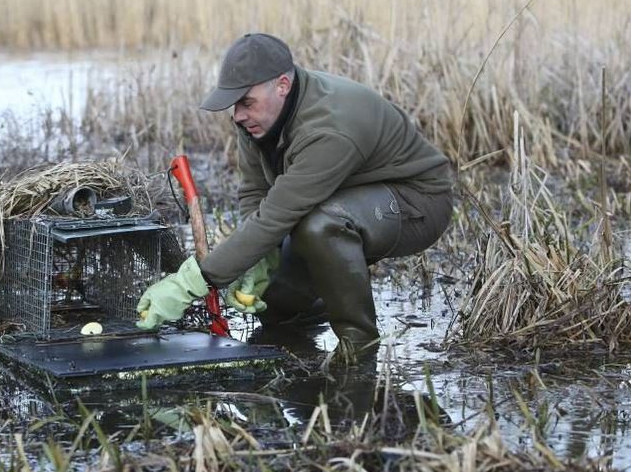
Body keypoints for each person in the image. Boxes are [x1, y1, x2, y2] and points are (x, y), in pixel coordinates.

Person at [136, 33, 453, 362]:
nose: (237, 115)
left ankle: (359, 347)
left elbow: (277, 215)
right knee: (275, 299)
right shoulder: (257, 119)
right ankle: (304, 327)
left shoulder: (330, 128)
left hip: (416, 203)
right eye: (233, 104)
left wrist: (190, 282)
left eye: (246, 102)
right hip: (343, 196)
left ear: (282, 85)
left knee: (320, 226)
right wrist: (260, 261)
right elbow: (256, 193)